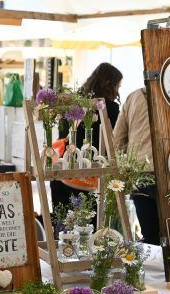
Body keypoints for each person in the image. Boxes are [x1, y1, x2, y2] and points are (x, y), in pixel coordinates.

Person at [50, 62, 122, 214]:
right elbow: (116, 141)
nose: (117, 91)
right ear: (109, 84)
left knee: (64, 228)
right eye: (118, 86)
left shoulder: (72, 102)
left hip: (63, 173)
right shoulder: (110, 108)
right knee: (89, 229)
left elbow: (62, 136)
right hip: (91, 178)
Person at [113, 87, 159, 245]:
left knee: (150, 236)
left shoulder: (132, 97)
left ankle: (152, 268)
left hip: (139, 174)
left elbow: (117, 141)